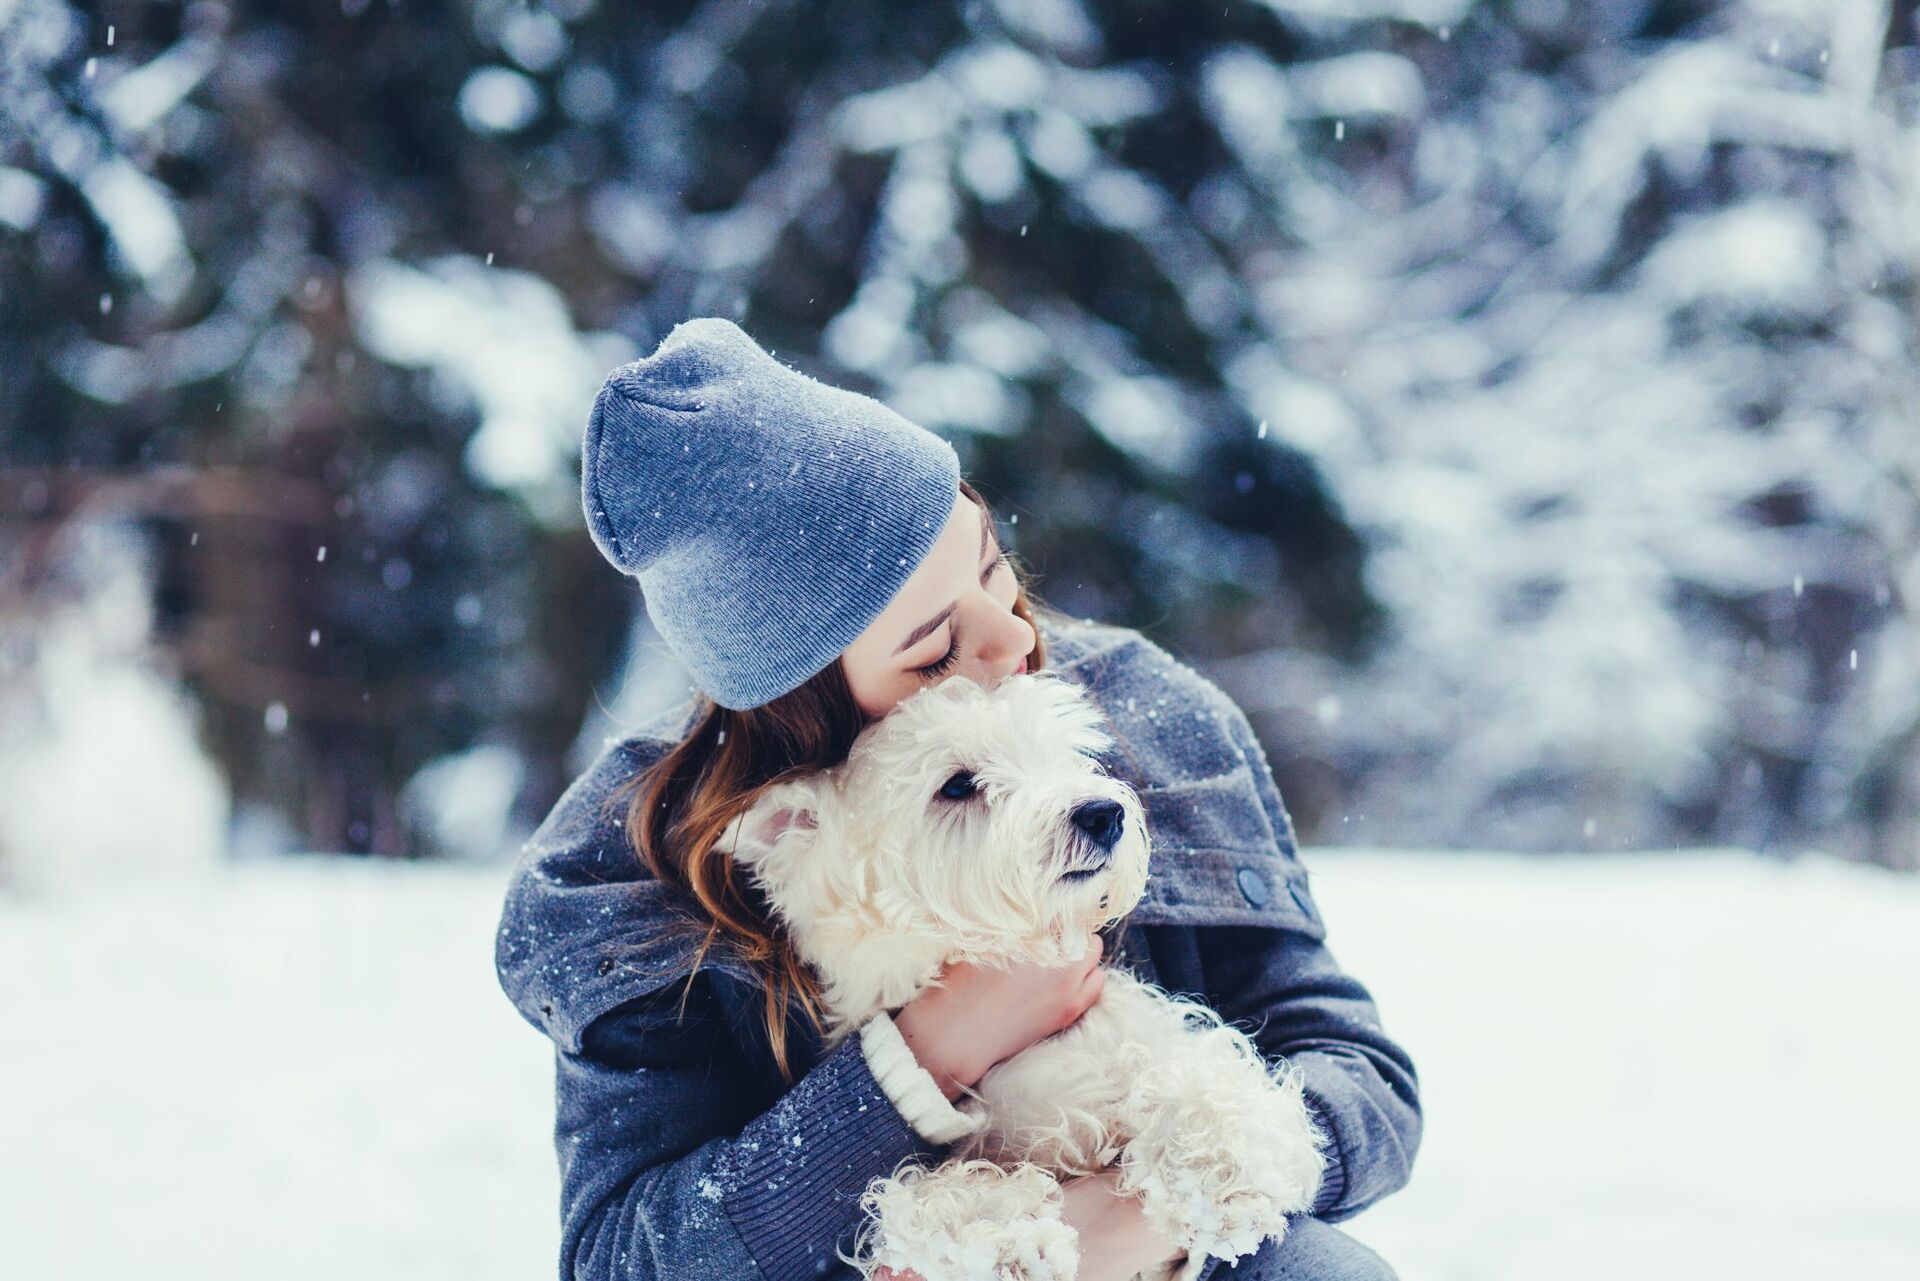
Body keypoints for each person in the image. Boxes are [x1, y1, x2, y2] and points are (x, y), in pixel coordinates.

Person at [494, 317, 1420, 1281]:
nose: (1014, 641)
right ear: (804, 712)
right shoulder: (629, 878)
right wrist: (923, 1053)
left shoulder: (1152, 722)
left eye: (990, 565)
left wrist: (1131, 1218)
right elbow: (623, 1256)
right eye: (935, 647)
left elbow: (1362, 1081)